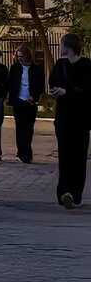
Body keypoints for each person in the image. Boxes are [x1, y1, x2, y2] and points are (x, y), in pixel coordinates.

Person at [47, 32, 91, 208]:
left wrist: (68, 92)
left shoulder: (87, 65)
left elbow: (89, 92)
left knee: (79, 156)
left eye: (61, 44)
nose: (60, 47)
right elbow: (52, 83)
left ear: (68, 46)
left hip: (81, 118)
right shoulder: (60, 64)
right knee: (64, 155)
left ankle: (76, 193)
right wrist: (55, 91)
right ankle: (65, 192)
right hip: (63, 117)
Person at [7, 43, 44, 163]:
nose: (20, 59)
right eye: (18, 56)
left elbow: (40, 85)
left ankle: (27, 151)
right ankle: (21, 152)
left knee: (29, 127)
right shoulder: (15, 68)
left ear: (28, 56)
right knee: (20, 127)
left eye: (22, 56)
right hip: (19, 101)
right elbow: (11, 84)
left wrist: (34, 96)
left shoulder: (36, 68)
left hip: (31, 102)